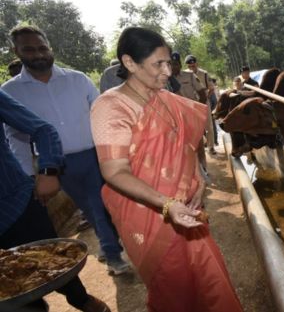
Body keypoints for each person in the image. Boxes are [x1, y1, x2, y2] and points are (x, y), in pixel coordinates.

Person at [90, 26, 242, 311]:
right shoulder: (111, 107)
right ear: (129, 63)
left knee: (208, 278)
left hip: (186, 208)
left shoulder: (165, 99)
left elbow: (186, 144)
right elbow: (114, 171)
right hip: (148, 213)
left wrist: (197, 176)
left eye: (169, 63)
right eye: (157, 64)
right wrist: (167, 204)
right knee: (173, 287)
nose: (168, 71)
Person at [1, 25, 130, 276]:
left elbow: (103, 114)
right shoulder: (10, 92)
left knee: (100, 203)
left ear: (49, 47)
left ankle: (113, 254)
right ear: (16, 52)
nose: (38, 54)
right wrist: (31, 175)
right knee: (91, 208)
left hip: (94, 156)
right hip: (59, 167)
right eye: (29, 49)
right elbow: (15, 139)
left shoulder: (77, 79)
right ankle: (110, 244)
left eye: (42, 47)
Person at [0, 90, 110, 312]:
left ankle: (82, 300)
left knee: (55, 267)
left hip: (16, 206)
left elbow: (43, 130)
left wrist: (49, 170)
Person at [185, 54, 217, 154]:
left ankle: (211, 147)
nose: (191, 68)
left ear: (196, 64)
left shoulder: (204, 74)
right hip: (191, 104)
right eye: (189, 66)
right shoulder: (185, 75)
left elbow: (211, 88)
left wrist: (207, 96)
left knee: (209, 126)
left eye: (193, 65)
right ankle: (196, 148)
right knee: (193, 127)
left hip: (204, 102)